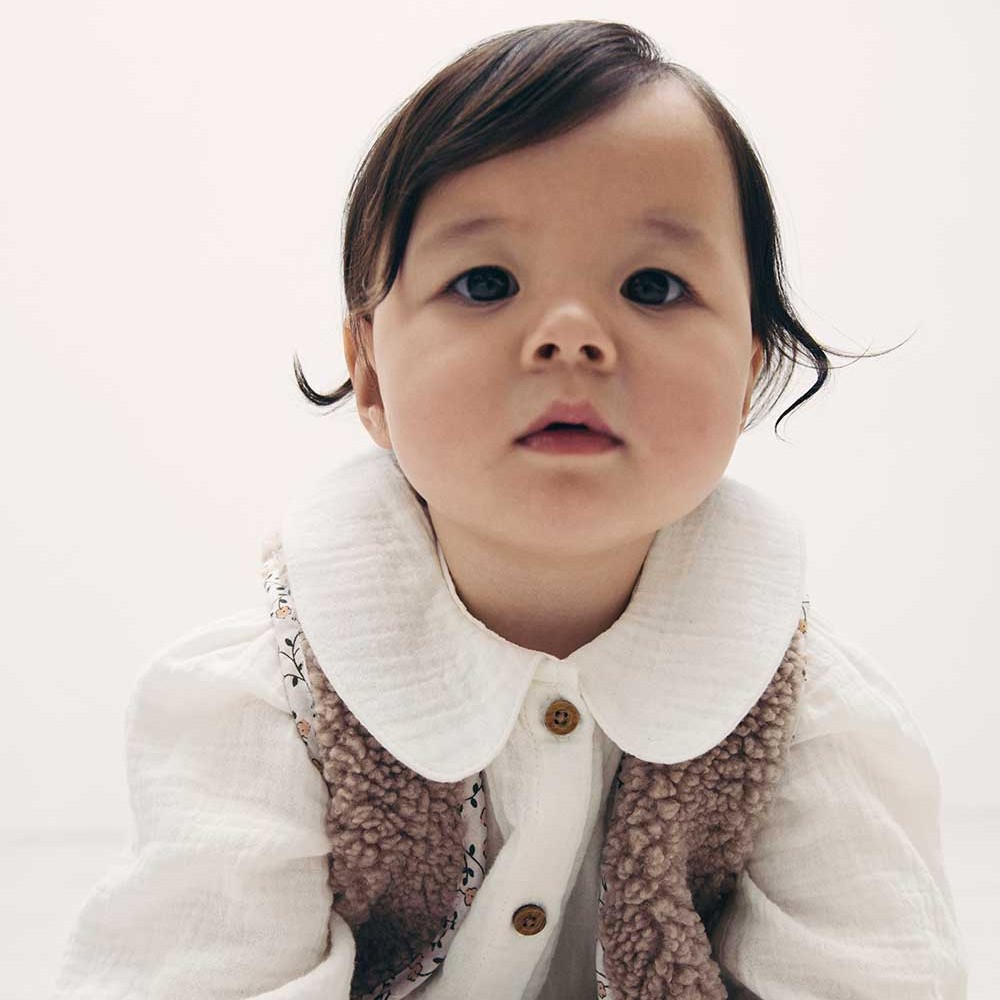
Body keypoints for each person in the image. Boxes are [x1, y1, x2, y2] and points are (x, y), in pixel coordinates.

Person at [50, 19, 968, 1000]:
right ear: (368, 371)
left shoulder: (803, 713)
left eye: (652, 286)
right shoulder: (271, 701)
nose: (570, 337)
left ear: (746, 375)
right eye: (485, 282)